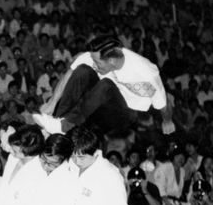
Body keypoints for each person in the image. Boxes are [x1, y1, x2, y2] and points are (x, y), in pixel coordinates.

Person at [34, 35, 166, 134]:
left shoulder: (147, 72)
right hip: (101, 103)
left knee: (106, 84)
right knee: (83, 70)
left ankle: (66, 125)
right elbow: (70, 74)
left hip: (125, 114)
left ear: (112, 61)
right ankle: (56, 121)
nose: (95, 65)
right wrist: (52, 103)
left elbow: (164, 104)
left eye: (98, 63)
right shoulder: (97, 55)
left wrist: (168, 121)